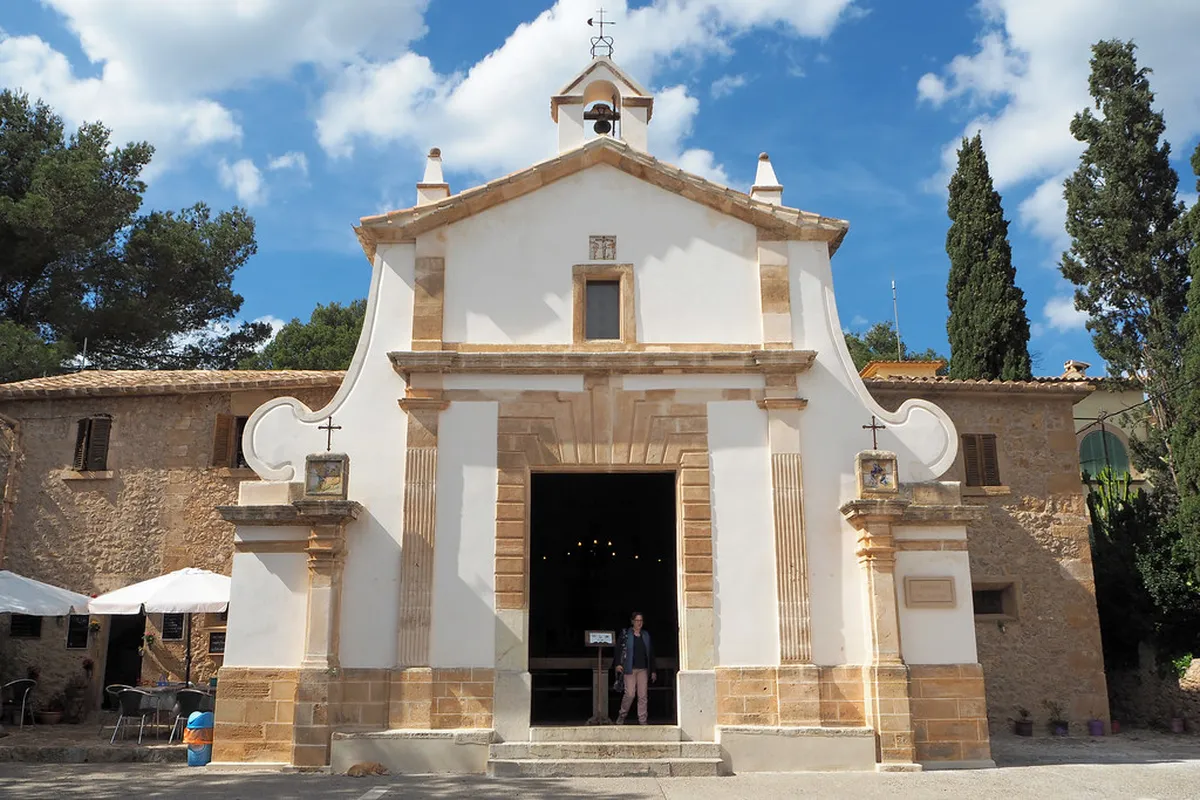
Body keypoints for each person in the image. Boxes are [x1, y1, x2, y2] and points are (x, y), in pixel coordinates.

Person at [613, 611, 656, 725]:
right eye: (637, 620)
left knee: (643, 696)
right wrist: (618, 664)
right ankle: (622, 715)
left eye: (641, 620)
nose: (639, 623)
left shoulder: (646, 635)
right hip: (629, 669)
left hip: (643, 669)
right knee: (630, 694)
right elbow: (618, 650)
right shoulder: (625, 634)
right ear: (632, 621)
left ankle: (643, 720)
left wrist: (653, 670)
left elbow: (651, 654)